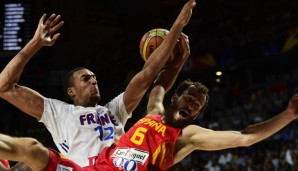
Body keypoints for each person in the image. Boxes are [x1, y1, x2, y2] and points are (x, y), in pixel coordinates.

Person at [0, 0, 195, 170]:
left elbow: (148, 76)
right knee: (26, 162)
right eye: (86, 79)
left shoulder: (114, 111)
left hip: (117, 168)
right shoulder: (58, 112)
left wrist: (178, 56)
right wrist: (34, 44)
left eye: (94, 77)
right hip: (81, 169)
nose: (94, 80)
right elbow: (5, 87)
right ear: (71, 91)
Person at [90, 79, 298, 170]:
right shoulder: (154, 112)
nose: (191, 105)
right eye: (189, 99)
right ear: (175, 99)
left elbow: (245, 137)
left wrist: (288, 115)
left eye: (196, 106)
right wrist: (175, 56)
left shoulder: (188, 136)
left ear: (196, 114)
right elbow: (159, 85)